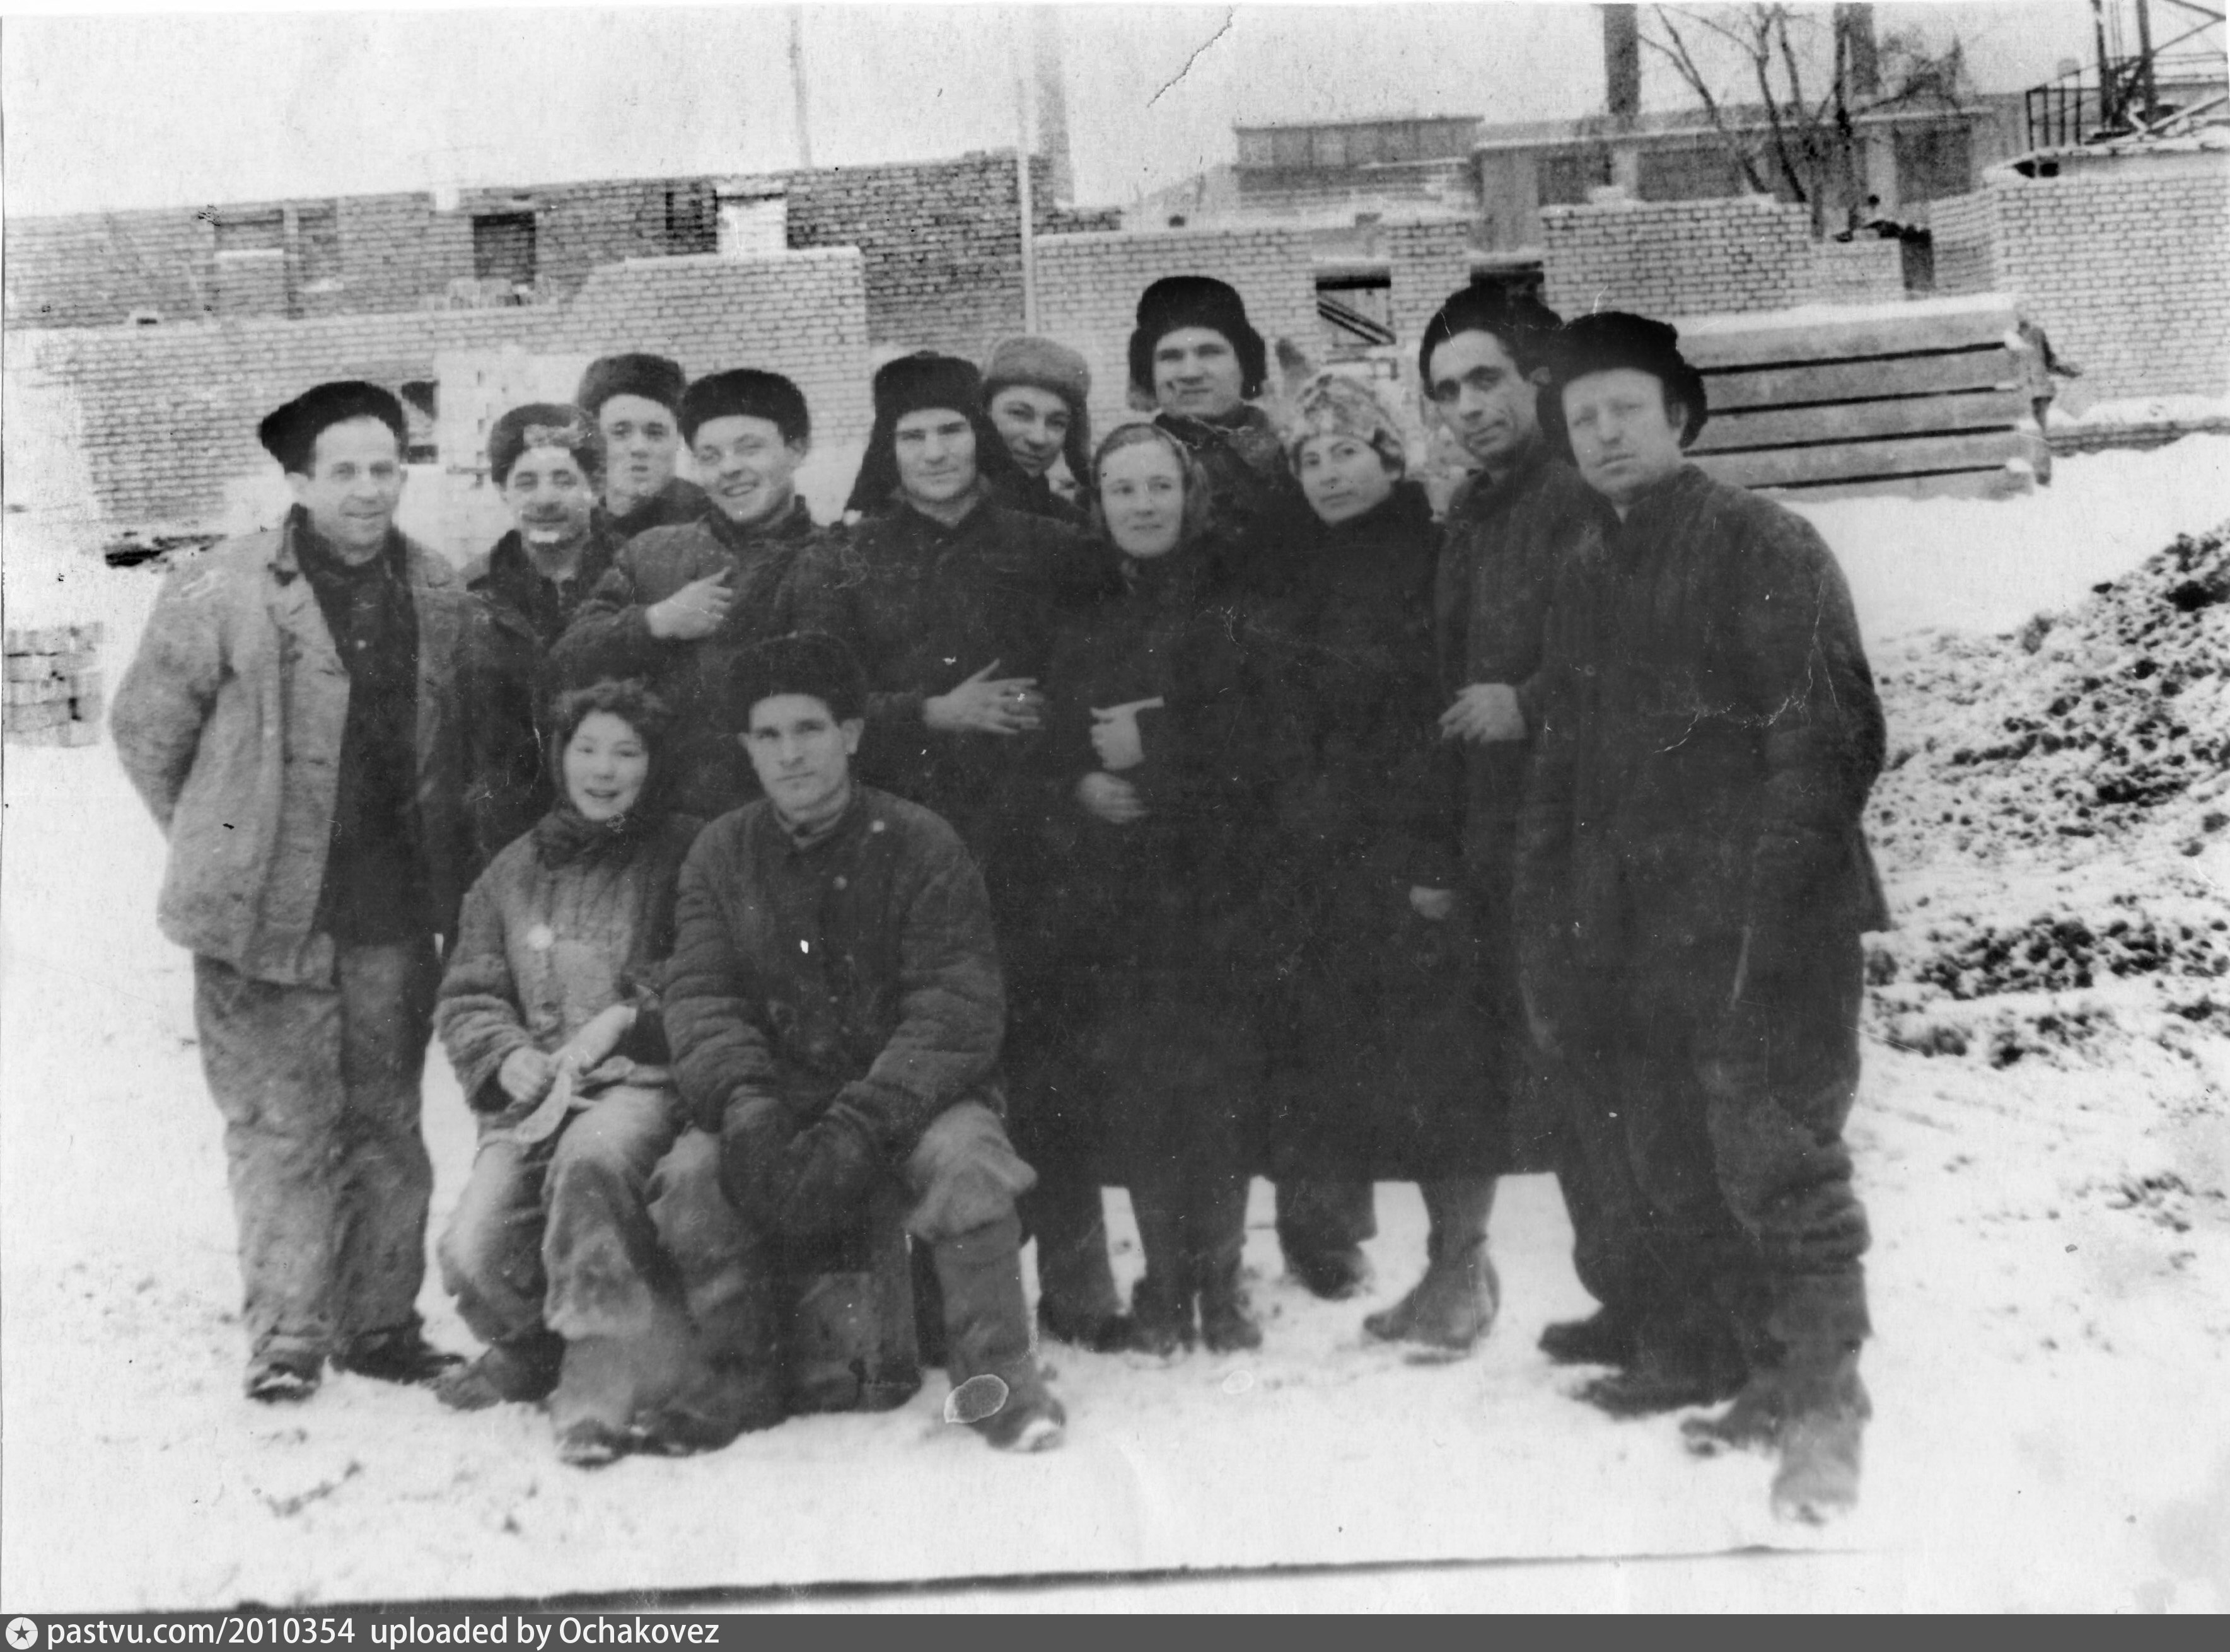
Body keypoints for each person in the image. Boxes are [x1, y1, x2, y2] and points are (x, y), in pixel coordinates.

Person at [1521, 311, 1888, 1523]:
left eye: (1625, 409)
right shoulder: (1586, 568)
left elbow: (1825, 737)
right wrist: (1560, 915)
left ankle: (1823, 1407)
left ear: (1677, 417)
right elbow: (1565, 763)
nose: (1604, 433)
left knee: (1777, 1164)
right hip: (1633, 927)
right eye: (1582, 419)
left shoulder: (1760, 543)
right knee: (1672, 1157)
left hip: (1759, 927)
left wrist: (1768, 916)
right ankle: (1742, 1368)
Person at [112, 380, 481, 1402]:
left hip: (390, 915)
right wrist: (228, 842)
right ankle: (286, 1338)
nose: (367, 491)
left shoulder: (438, 589)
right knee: (283, 1131)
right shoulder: (216, 587)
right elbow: (148, 732)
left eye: (384, 469)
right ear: (299, 482)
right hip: (260, 921)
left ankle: (379, 1325)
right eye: (343, 471)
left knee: (386, 1125)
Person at [658, 632, 1069, 1452]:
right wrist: (745, 1104)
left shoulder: (922, 842)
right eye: (768, 735)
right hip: (777, 1093)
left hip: (908, 1098)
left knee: (969, 1161)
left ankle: (997, 1383)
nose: (790, 754)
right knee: (693, 1175)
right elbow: (701, 996)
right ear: (746, 747)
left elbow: (954, 1009)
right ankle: (739, 1376)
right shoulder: (719, 853)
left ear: (850, 734)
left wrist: (865, 1120)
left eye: (809, 729)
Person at [799, 351, 1130, 1352]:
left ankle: (1081, 1287)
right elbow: (817, 705)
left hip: (1040, 844)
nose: (936, 452)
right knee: (926, 1067)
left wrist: (1065, 744)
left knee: (1054, 1063)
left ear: (977, 437)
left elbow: (1100, 671)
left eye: (951, 430)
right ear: (887, 450)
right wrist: (930, 713)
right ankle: (943, 1299)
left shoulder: (1052, 547)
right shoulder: (848, 560)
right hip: (903, 856)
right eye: (913, 436)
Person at [1246, 370, 1502, 1334]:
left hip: (1413, 856)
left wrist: (1438, 859)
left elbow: (1442, 716)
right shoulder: (1296, 567)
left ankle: (1460, 1268)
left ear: (1390, 459)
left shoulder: (1435, 558)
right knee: (1344, 1063)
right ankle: (1376, 1257)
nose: (1328, 473)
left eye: (1347, 451)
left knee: (1445, 1071)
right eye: (1309, 458)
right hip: (1321, 863)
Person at [431, 682, 741, 1466]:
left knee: (592, 1164)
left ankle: (597, 1380)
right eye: (588, 749)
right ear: (559, 756)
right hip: (535, 1102)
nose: (604, 770)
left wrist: (632, 1016)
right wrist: (506, 1055)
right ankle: (534, 1346)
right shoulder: (511, 871)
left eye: (626, 753)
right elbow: (469, 991)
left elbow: (710, 971)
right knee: (473, 1248)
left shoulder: (689, 853)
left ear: (654, 763)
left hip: (642, 1084)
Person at [1129, 275, 1367, 1293]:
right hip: (1190, 767)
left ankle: (1324, 1226)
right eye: (1170, 357)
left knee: (1310, 1011)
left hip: (1295, 761)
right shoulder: (1138, 467)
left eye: (1208, 353)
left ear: (1246, 367)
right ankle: (1205, 1243)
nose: (1188, 372)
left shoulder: (1291, 458)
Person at [1420, 285, 1625, 1358]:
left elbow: (1638, 647)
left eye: (1485, 379)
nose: (1467, 406)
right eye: (1446, 390)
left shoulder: (1582, 494)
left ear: (1537, 380)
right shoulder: (1475, 510)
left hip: (1593, 837)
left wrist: (1530, 702)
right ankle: (1628, 1300)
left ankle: (1670, 1309)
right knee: (1563, 1077)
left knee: (1611, 1073)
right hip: (1509, 838)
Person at [1035, 422, 1269, 1354]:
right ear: (1098, 504)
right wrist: (1078, 784)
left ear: (1189, 494)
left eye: (1159, 487)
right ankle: (1167, 1281)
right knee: (1140, 1091)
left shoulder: (1235, 593)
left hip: (1217, 884)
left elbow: (1269, 733)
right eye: (1122, 490)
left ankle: (1223, 1280)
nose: (1142, 505)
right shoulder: (1082, 604)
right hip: (1118, 895)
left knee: (1217, 1091)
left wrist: (1157, 751)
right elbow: (1051, 728)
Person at [552, 369, 830, 818]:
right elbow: (566, 661)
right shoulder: (652, 553)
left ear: (797, 449)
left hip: (796, 819)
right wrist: (654, 622)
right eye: (710, 456)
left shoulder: (837, 561)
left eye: (749, 448)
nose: (729, 469)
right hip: (671, 822)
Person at [465, 402, 622, 858]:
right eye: (526, 482)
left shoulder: (639, 577)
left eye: (564, 480)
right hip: (512, 843)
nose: (545, 499)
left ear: (595, 485)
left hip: (622, 831)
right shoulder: (467, 597)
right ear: (502, 490)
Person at [574, 354, 708, 540]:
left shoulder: (712, 521)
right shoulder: (575, 526)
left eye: (655, 433)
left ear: (678, 439)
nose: (639, 448)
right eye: (620, 433)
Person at [981, 335, 1094, 525]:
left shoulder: (1073, 525)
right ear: (984, 413)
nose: (1039, 438)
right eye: (1019, 414)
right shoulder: (942, 510)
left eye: (1057, 423)